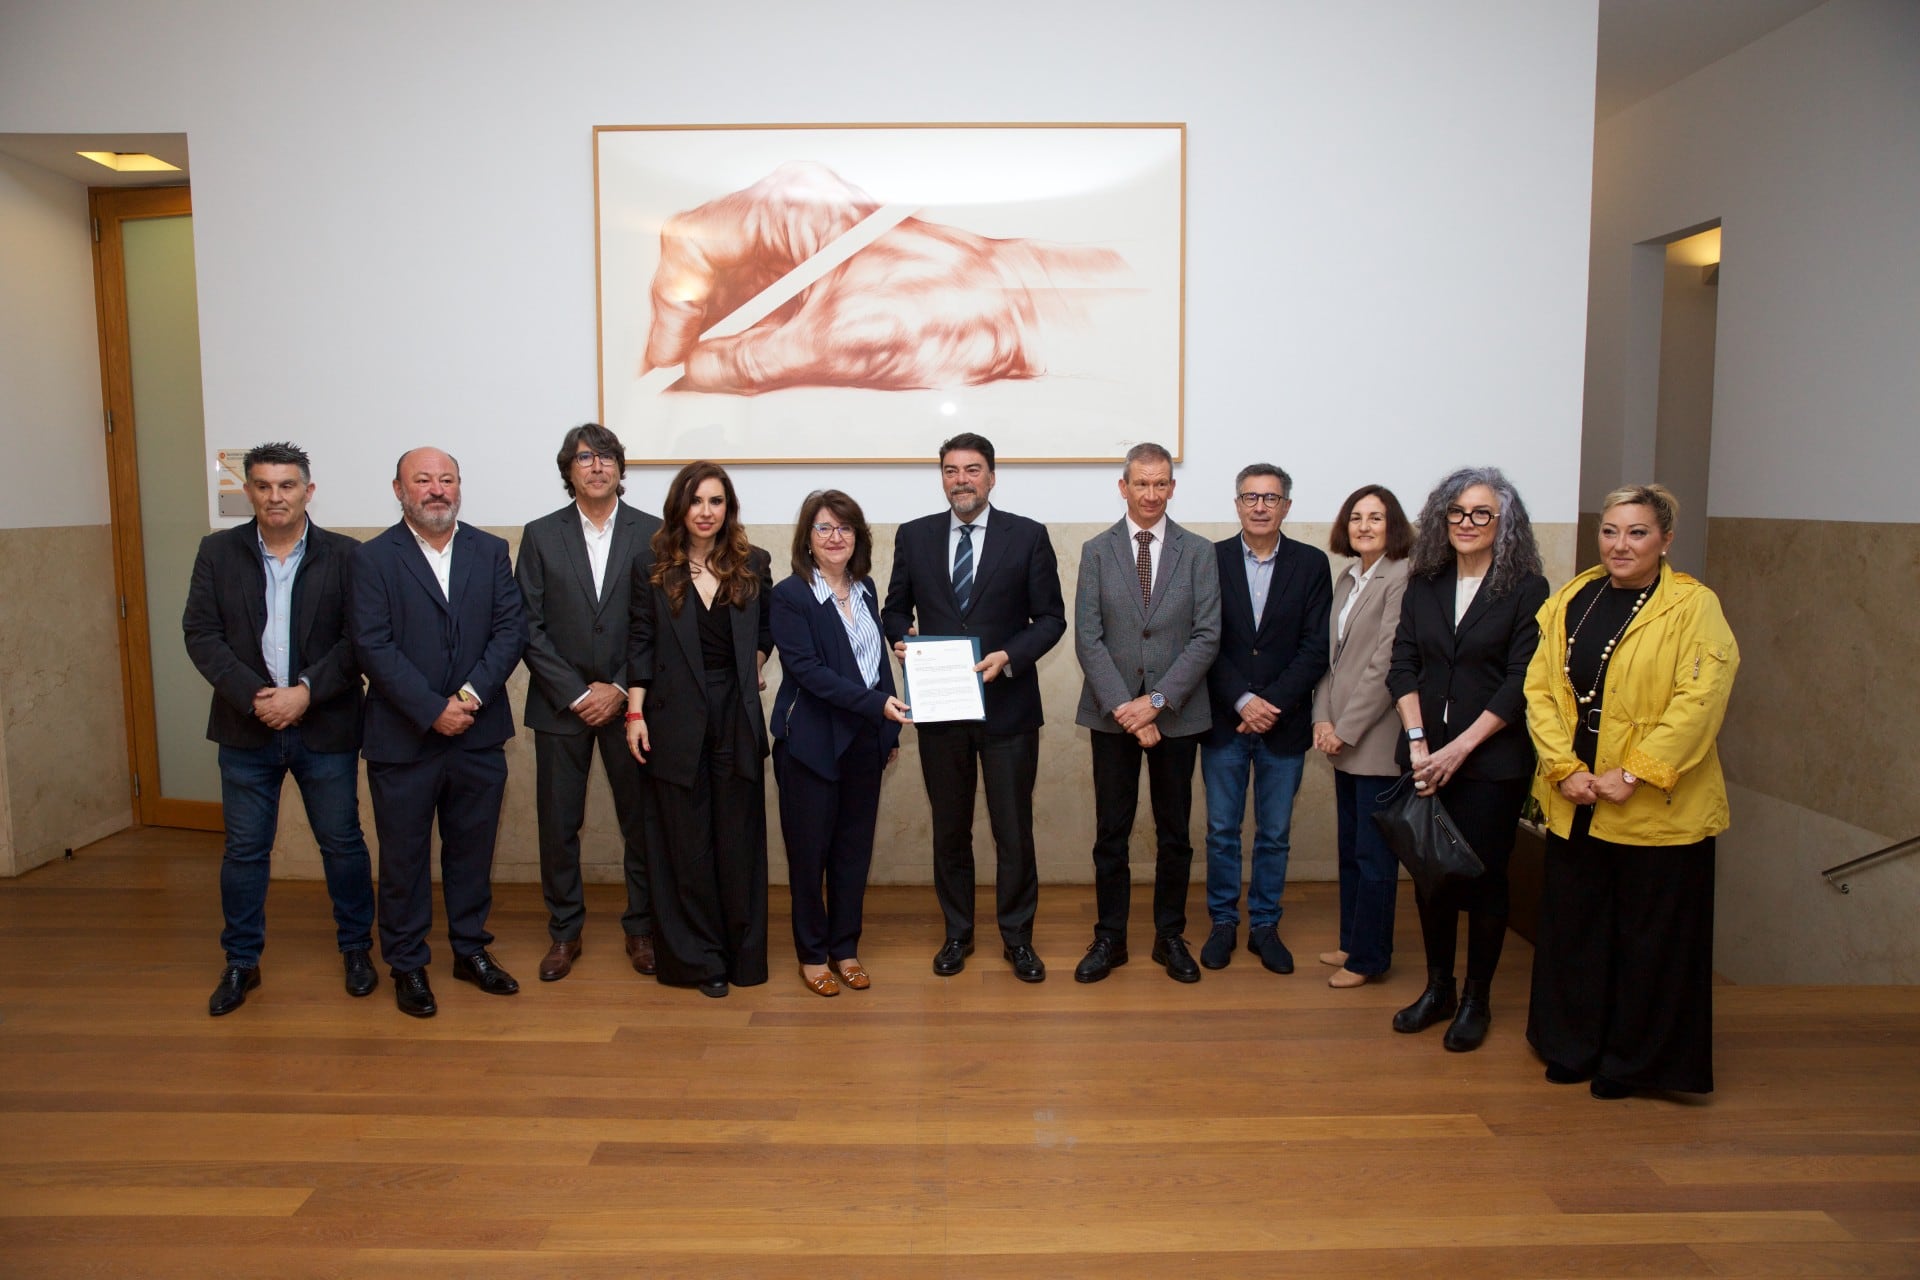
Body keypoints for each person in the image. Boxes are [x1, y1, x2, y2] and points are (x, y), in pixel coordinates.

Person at [1524, 484, 1738, 1099]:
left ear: (1665, 540)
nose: (1621, 544)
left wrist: (1635, 771)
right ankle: (1571, 1044)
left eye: (1638, 532)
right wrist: (1563, 768)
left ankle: (1632, 1063)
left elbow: (1699, 703)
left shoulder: (1694, 607)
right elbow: (1541, 690)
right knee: (1577, 929)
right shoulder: (1574, 596)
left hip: (1654, 806)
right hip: (1579, 796)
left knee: (1649, 939)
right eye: (1611, 531)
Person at [183, 442, 375, 1016]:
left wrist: (306, 692)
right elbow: (200, 633)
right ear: (248, 492)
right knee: (244, 851)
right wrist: (255, 696)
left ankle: (357, 950)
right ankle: (241, 961)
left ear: (308, 491)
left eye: (286, 485)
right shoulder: (217, 553)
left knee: (342, 844)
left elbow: (359, 640)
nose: (275, 496)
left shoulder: (347, 556)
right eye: (263, 486)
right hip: (247, 728)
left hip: (325, 726)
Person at [881, 432, 1066, 982]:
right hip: (940, 711)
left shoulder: (1028, 536)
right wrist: (901, 638)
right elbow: (894, 609)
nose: (961, 479)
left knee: (1013, 831)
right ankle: (957, 934)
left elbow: (1052, 618)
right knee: (950, 829)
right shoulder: (914, 537)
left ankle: (1018, 939)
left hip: (1007, 709)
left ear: (991, 475)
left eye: (972, 469)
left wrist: (1010, 654)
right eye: (951, 470)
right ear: (941, 476)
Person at [352, 447, 528, 1018]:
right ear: (399, 489)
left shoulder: (491, 550)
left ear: (460, 487)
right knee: (403, 859)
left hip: (476, 733)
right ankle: (406, 964)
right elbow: (372, 646)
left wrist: (469, 697)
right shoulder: (374, 558)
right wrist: (432, 710)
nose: (436, 489)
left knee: (472, 853)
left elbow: (510, 630)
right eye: (422, 480)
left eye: (446, 479)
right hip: (404, 739)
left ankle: (470, 950)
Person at [1387, 466, 1549, 1051]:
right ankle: (1439, 989)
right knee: (1430, 876)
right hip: (1425, 757)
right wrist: (1418, 743)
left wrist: (1458, 748)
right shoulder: (1425, 581)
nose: (1467, 523)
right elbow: (1402, 664)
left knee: (1483, 880)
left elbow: (1519, 682)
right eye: (1456, 512)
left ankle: (1477, 997)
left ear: (1505, 523)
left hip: (1491, 763)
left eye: (1481, 513)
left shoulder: (1527, 588)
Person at [515, 424, 663, 982]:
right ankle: (564, 932)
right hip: (560, 706)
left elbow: (661, 626)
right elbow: (527, 626)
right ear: (568, 471)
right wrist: (578, 692)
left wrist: (621, 688)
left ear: (621, 470)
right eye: (584, 458)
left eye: (606, 457)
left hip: (634, 706)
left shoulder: (654, 532)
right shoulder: (539, 535)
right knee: (558, 825)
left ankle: (641, 928)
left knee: (641, 823)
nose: (596, 466)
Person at [1072, 442, 1222, 984]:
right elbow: (1088, 638)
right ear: (1124, 487)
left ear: (1172, 488)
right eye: (1142, 483)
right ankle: (1110, 938)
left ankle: (1169, 936)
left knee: (1174, 832)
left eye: (1162, 484)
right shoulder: (1096, 550)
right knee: (1110, 831)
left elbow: (1207, 636)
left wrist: (1156, 703)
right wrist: (1126, 708)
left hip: (1178, 716)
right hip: (1111, 716)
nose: (1152, 494)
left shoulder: (1199, 552)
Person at [625, 462, 774, 998]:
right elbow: (639, 643)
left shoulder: (753, 563)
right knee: (685, 844)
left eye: (716, 501)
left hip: (735, 713)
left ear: (728, 508)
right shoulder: (652, 567)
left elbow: (767, 630)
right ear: (679, 509)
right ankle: (698, 960)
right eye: (696, 502)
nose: (706, 512)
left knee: (736, 840)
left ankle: (743, 957)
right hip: (673, 715)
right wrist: (635, 714)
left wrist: (753, 660)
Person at [770, 491, 909, 996]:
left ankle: (845, 948)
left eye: (845, 528)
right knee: (810, 855)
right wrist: (877, 708)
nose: (836, 538)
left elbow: (877, 671)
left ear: (859, 538)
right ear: (807, 538)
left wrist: (887, 728)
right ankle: (812, 954)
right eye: (824, 528)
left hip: (864, 745)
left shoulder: (866, 588)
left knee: (852, 853)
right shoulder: (790, 595)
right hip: (809, 744)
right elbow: (808, 672)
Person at [1199, 464, 1330, 975]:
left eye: (1270, 498)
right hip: (1224, 722)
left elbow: (1316, 645)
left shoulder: (1311, 563)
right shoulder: (1209, 560)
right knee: (1221, 831)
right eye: (1250, 497)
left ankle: (1265, 925)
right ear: (1236, 504)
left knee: (1274, 832)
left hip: (1285, 722)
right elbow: (1203, 639)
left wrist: (1269, 703)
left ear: (1286, 507)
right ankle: (1223, 923)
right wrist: (1241, 700)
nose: (1259, 506)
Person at [1310, 485, 1416, 989]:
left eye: (1376, 517)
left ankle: (1370, 958)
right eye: (1356, 517)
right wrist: (1322, 719)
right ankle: (1352, 940)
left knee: (1375, 855)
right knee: (1351, 847)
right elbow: (1333, 659)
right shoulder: (1348, 577)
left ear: (1393, 524)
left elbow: (1386, 664)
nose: (1365, 526)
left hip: (1375, 738)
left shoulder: (1402, 576)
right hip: (1341, 738)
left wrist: (1346, 728)